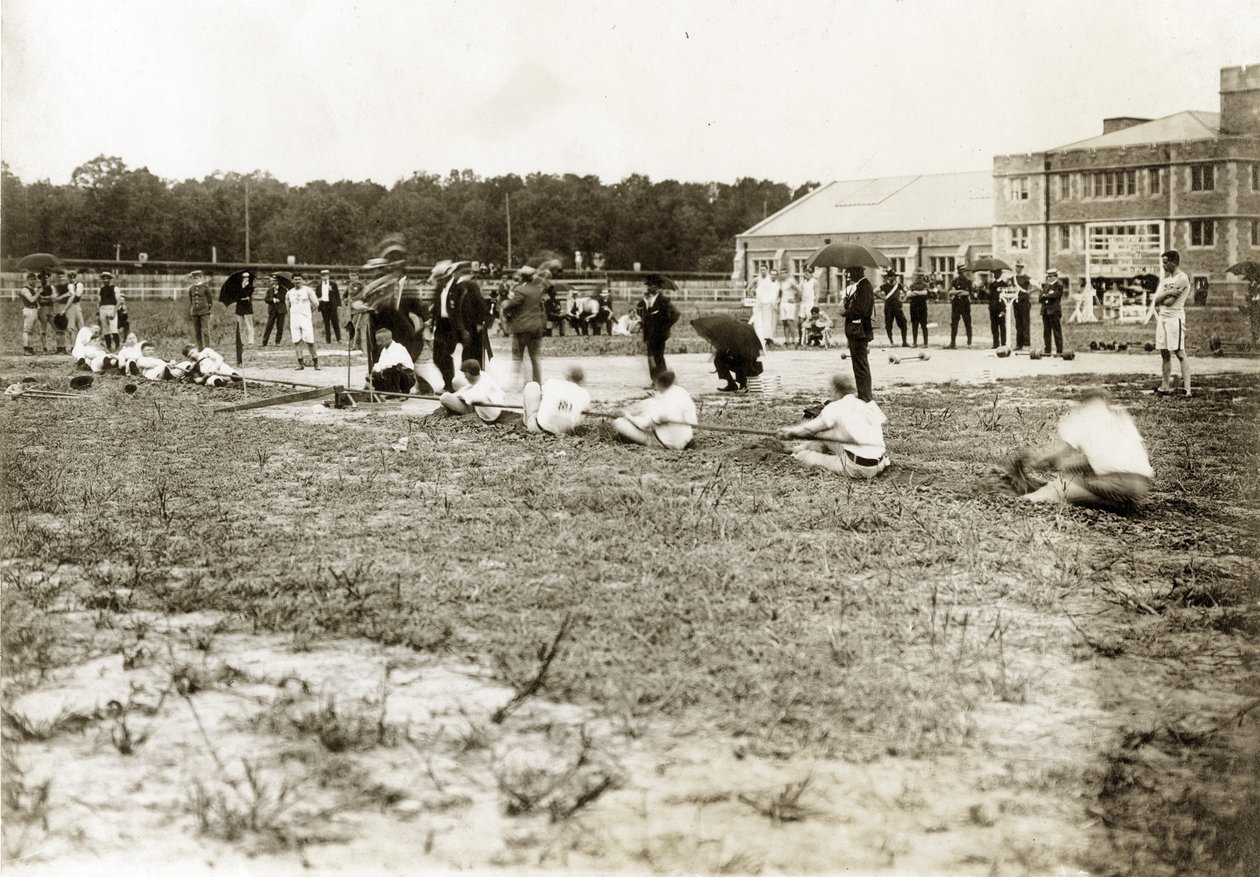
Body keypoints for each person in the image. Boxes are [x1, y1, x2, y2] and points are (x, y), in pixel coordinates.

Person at [1001, 390, 1153, 510]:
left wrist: (1030, 461)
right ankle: (1116, 504)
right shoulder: (1120, 417)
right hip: (1141, 486)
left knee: (1052, 489)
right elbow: (1113, 458)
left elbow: (1055, 455)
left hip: (1117, 484)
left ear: (1084, 402)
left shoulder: (1081, 416)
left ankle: (1019, 502)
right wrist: (1069, 467)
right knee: (1083, 486)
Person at [777, 374, 890, 479]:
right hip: (879, 464)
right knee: (825, 433)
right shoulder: (866, 405)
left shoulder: (836, 406)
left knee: (805, 456)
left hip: (857, 467)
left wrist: (789, 432)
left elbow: (809, 430)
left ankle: (797, 454)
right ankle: (798, 448)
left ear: (835, 390)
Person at [430, 260, 488, 392]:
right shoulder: (440, 288)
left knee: (469, 357)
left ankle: (474, 385)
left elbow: (479, 305)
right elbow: (437, 307)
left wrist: (478, 323)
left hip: (463, 324)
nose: (438, 281)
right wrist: (431, 323)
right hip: (444, 325)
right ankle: (449, 385)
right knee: (439, 356)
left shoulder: (464, 286)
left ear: (448, 275)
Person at [613, 370, 697, 450]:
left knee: (618, 423)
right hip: (686, 440)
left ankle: (629, 434)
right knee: (650, 405)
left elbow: (643, 425)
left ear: (658, 384)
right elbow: (693, 421)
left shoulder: (660, 404)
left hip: (664, 443)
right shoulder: (682, 392)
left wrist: (627, 415)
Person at [500, 264, 548, 388]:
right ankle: (537, 383)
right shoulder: (537, 290)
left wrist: (505, 303)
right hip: (536, 327)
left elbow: (512, 304)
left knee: (517, 356)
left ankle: (514, 384)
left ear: (522, 277)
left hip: (522, 328)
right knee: (535, 356)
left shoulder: (520, 290)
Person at [1152, 249, 1192, 397]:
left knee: (1180, 352)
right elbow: (1155, 300)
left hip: (1175, 318)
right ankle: (1165, 386)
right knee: (1164, 352)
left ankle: (1187, 389)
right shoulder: (1166, 281)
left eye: (1165, 263)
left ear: (1174, 263)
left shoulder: (1182, 278)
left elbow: (1168, 303)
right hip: (1162, 318)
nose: (1163, 266)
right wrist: (1168, 292)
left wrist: (1164, 296)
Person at [635, 274, 681, 383]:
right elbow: (639, 311)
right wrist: (645, 303)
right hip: (649, 333)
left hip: (659, 334)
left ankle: (663, 381)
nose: (650, 288)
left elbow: (676, 314)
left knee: (658, 357)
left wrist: (664, 326)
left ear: (659, 288)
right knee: (650, 358)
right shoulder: (645, 300)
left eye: (653, 286)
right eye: (649, 285)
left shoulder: (663, 300)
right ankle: (655, 380)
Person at [841, 266, 875, 402]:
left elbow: (862, 310)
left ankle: (866, 396)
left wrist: (847, 312)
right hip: (855, 330)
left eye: (850, 273)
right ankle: (863, 394)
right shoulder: (860, 286)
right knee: (858, 365)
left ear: (857, 272)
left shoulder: (864, 286)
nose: (848, 276)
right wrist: (848, 303)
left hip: (859, 331)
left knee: (861, 365)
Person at [523, 367, 591, 435]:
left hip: (539, 429)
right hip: (564, 432)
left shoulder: (553, 382)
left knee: (532, 385)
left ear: (567, 376)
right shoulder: (585, 394)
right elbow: (581, 417)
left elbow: (540, 394)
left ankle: (526, 422)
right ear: (581, 380)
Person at [439, 358, 504, 422]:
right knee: (456, 381)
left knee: (444, 397)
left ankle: (457, 413)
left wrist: (452, 396)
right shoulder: (484, 375)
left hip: (486, 416)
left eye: (465, 374)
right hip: (492, 406)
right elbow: (468, 387)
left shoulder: (477, 393)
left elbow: (460, 396)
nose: (465, 376)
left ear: (468, 373)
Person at [286, 272, 320, 370]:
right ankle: (300, 363)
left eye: (299, 279)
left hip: (305, 318)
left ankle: (316, 363)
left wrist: (308, 313)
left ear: (302, 280)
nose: (297, 281)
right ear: (292, 281)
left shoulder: (308, 290)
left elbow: (316, 304)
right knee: (297, 341)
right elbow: (287, 307)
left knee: (310, 341)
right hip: (294, 318)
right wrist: (290, 317)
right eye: (295, 279)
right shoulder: (289, 293)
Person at [369, 328, 416, 394]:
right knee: (374, 375)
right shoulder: (384, 350)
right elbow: (380, 365)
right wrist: (373, 373)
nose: (377, 343)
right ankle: (385, 392)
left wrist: (379, 371)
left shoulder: (398, 348)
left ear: (386, 339)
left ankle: (400, 393)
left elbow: (391, 365)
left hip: (407, 378)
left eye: (379, 341)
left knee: (393, 369)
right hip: (393, 376)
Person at [747, 265, 779, 346]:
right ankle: (757, 338)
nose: (762, 271)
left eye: (764, 270)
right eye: (761, 270)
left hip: (769, 304)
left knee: (769, 321)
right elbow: (748, 289)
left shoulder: (771, 280)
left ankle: (769, 338)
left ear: (767, 270)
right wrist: (754, 297)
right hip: (760, 304)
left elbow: (775, 292)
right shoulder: (757, 279)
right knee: (758, 321)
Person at [880, 267, 908, 347]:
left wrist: (903, 299)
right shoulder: (885, 286)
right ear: (888, 277)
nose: (891, 277)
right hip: (888, 308)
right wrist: (882, 298)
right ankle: (891, 342)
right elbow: (874, 291)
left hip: (898, 307)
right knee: (888, 325)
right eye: (890, 276)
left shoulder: (899, 285)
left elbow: (906, 292)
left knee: (903, 324)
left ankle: (904, 342)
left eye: (893, 276)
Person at [187, 269, 214, 350]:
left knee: (205, 331)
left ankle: (208, 348)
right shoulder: (191, 289)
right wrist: (192, 310)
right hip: (195, 312)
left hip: (204, 312)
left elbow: (210, 301)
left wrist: (208, 310)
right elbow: (191, 301)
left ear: (200, 278)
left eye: (197, 278)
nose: (195, 280)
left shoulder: (205, 288)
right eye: (193, 278)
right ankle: (200, 348)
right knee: (197, 332)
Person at [1039, 268, 1065, 355]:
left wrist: (1046, 296)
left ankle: (1059, 351)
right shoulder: (1046, 286)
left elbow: (1055, 296)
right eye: (1048, 276)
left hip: (1054, 312)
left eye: (1051, 276)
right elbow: (1040, 298)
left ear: (1056, 277)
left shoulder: (1059, 286)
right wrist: (1047, 296)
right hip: (1045, 311)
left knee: (1056, 332)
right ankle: (1047, 350)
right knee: (1046, 332)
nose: (1049, 278)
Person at [948, 266, 973, 348]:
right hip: (956, 304)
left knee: (967, 323)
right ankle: (953, 342)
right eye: (960, 272)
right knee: (954, 323)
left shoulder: (968, 281)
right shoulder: (954, 281)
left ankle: (969, 342)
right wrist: (961, 291)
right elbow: (950, 292)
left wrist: (957, 292)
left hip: (965, 303)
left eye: (963, 271)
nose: (962, 273)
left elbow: (969, 293)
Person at [98, 271, 123, 352]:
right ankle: (108, 348)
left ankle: (117, 347)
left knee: (113, 329)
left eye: (107, 278)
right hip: (103, 309)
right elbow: (99, 302)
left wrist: (114, 312)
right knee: (105, 330)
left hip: (112, 308)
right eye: (104, 278)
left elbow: (119, 301)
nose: (105, 280)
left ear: (110, 279)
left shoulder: (115, 288)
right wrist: (99, 312)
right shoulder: (101, 289)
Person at [1012, 260, 1033, 350]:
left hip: (1024, 301)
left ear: (1022, 268)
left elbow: (1036, 286)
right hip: (1016, 302)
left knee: (1025, 323)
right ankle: (1019, 344)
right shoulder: (1013, 278)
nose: (1018, 269)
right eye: (1017, 267)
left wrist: (1028, 292)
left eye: (1020, 267)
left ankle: (1026, 344)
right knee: (1018, 324)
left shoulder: (1026, 277)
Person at [778, 269, 802, 347]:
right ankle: (787, 341)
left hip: (790, 304)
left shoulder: (791, 281)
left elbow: (799, 290)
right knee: (785, 322)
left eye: (783, 273)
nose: (782, 275)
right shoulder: (781, 282)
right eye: (781, 273)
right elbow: (781, 293)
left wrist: (795, 300)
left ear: (787, 274)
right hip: (783, 303)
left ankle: (794, 340)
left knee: (790, 322)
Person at [316, 269, 341, 343]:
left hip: (332, 305)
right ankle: (328, 340)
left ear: (328, 276)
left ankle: (339, 338)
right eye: (323, 276)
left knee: (335, 322)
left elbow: (337, 295)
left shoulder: (333, 285)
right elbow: (316, 296)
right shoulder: (318, 286)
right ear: (321, 277)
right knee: (326, 323)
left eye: (326, 275)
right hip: (324, 305)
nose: (325, 277)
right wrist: (318, 299)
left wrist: (339, 305)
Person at [262, 276, 287, 346]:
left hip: (281, 310)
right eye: (274, 280)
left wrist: (276, 292)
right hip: (272, 310)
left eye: (276, 280)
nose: (275, 282)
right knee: (269, 326)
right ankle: (264, 342)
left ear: (279, 281)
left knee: (280, 327)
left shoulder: (283, 290)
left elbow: (282, 298)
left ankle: (277, 342)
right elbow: (266, 299)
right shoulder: (270, 289)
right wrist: (273, 300)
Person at [907, 269, 930, 347]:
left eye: (921, 276)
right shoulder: (912, 285)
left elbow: (925, 293)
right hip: (913, 307)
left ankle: (925, 343)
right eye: (917, 276)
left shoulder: (925, 285)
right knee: (914, 325)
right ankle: (914, 342)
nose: (919, 278)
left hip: (922, 307)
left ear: (923, 277)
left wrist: (915, 292)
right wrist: (919, 293)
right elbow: (909, 294)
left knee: (924, 325)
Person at [987, 268, 1008, 348]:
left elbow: (1005, 298)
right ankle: (995, 344)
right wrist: (984, 291)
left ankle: (1003, 343)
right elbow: (989, 297)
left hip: (1000, 309)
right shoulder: (992, 285)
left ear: (1000, 274)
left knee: (1002, 326)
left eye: (996, 273)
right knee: (994, 326)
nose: (995, 275)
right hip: (993, 309)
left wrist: (1003, 310)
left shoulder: (1004, 284)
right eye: (994, 273)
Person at [19, 272, 40, 356]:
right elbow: (31, 300)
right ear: (27, 280)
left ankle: (30, 348)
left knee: (31, 331)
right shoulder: (25, 289)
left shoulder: (32, 289)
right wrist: (38, 292)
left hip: (34, 310)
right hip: (29, 309)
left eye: (34, 279)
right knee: (27, 331)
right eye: (31, 279)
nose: (33, 281)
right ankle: (26, 348)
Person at [62, 269, 86, 338]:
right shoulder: (68, 285)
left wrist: (70, 294)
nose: (71, 278)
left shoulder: (79, 284)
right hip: (69, 307)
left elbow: (77, 295)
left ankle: (83, 345)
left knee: (81, 327)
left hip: (76, 305)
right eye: (70, 277)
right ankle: (73, 345)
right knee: (70, 328)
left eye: (73, 276)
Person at [235, 271, 256, 346]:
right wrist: (243, 298)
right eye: (244, 277)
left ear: (248, 278)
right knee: (241, 326)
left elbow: (247, 295)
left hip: (247, 308)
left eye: (246, 277)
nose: (245, 279)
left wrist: (243, 289)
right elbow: (237, 298)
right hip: (239, 308)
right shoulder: (238, 287)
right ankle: (242, 341)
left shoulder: (251, 287)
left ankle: (251, 341)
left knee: (249, 325)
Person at [799, 267, 818, 344]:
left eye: (807, 274)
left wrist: (815, 304)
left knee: (810, 321)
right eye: (805, 273)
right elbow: (800, 291)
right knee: (801, 320)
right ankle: (801, 339)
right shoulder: (803, 282)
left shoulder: (814, 282)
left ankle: (811, 339)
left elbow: (817, 294)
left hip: (810, 303)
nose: (805, 275)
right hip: (803, 303)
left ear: (811, 274)